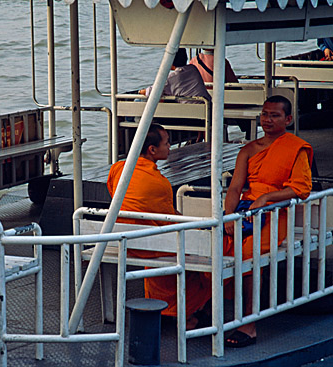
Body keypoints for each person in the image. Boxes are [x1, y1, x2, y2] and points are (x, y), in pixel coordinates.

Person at [223, 95, 313, 347]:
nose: (268, 120)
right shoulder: (249, 149)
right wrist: (229, 215)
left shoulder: (296, 148)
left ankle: (248, 325)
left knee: (249, 256)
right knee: (218, 246)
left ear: (288, 119)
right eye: (265, 114)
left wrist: (266, 198)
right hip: (245, 210)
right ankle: (202, 311)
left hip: (276, 213)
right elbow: (234, 188)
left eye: (275, 115)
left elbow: (301, 188)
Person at [107, 124, 211, 328]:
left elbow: (116, 196)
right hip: (150, 243)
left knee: (162, 239)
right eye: (167, 143)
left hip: (125, 238)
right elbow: (168, 217)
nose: (170, 147)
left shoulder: (119, 168)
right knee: (200, 247)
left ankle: (163, 307)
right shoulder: (159, 183)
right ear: (152, 150)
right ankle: (184, 312)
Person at [139, 48, 211, 104]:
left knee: (138, 100)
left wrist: (141, 91)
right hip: (205, 109)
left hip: (189, 115)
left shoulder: (173, 77)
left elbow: (153, 92)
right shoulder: (193, 69)